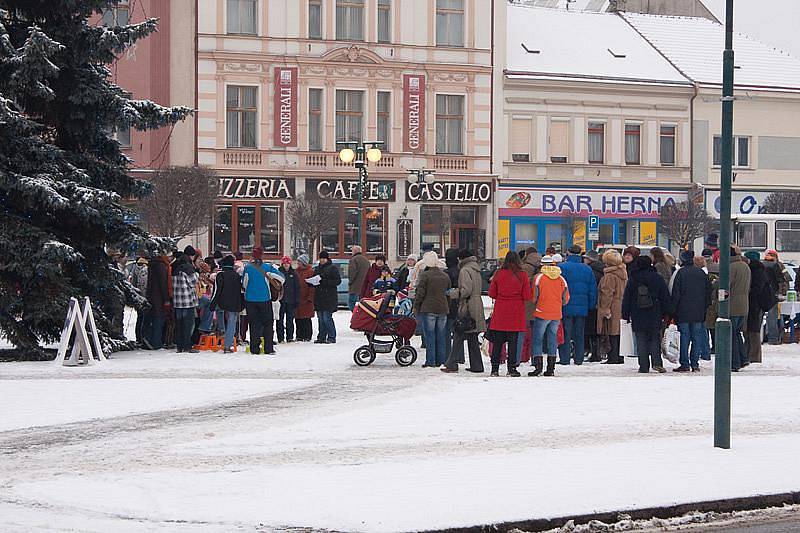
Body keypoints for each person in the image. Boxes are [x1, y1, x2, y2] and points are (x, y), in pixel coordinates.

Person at [622, 256, 672, 373]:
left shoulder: (633, 278)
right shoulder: (657, 278)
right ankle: (657, 363)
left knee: (641, 340)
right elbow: (664, 296)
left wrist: (625, 314)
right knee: (655, 338)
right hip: (655, 312)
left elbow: (627, 298)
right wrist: (668, 312)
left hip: (637, 312)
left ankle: (643, 365)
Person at [487, 251, 532, 377]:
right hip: (516, 311)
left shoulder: (498, 274)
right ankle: (512, 368)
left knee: (497, 342)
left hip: (501, 310)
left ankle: (494, 369)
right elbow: (527, 295)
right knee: (513, 342)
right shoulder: (522, 275)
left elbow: (492, 293)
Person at [442, 250, 486, 373]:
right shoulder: (475, 269)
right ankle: (477, 366)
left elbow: (466, 290)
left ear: (461, 259)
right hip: (476, 303)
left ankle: (451, 364)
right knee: (472, 336)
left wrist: (452, 293)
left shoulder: (465, 270)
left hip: (467, 305)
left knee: (459, 333)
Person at [671, 250, 712, 372]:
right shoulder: (701, 273)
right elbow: (708, 292)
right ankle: (695, 363)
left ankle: (684, 363)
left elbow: (676, 293)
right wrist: (705, 307)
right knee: (697, 336)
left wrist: (673, 310)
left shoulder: (680, 273)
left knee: (684, 336)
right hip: (699, 310)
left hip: (683, 310)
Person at [529, 255, 570, 377]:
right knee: (552, 339)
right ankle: (550, 368)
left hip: (542, 312)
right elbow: (566, 299)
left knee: (537, 339)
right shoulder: (561, 279)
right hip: (556, 314)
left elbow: (533, 297)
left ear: (542, 265)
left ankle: (538, 367)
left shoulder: (538, 278)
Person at [558, 245, 597, 366]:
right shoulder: (587, 269)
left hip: (565, 306)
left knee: (565, 333)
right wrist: (591, 305)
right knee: (579, 334)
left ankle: (564, 358)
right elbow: (592, 289)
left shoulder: (561, 267)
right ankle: (578, 358)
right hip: (582, 306)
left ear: (568, 253)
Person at [242, 247, 285, 355]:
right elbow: (282, 278)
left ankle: (254, 348)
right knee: (267, 324)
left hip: (250, 299)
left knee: (254, 324)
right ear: (262, 255)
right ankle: (268, 348)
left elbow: (244, 284)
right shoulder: (268, 267)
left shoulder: (247, 268)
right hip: (265, 298)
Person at [413, 251, 451, 368]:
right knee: (441, 335)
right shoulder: (445, 276)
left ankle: (431, 361)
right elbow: (448, 293)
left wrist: (416, 306)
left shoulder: (425, 275)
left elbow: (420, 293)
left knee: (430, 335)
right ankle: (442, 360)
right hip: (443, 308)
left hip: (428, 308)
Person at [597, 249, 628, 365]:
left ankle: (612, 356)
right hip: (621, 304)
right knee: (618, 331)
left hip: (612, 306)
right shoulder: (623, 273)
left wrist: (605, 308)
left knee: (611, 331)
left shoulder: (609, 276)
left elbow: (607, 293)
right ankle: (620, 356)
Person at [744, 251, 774, 364]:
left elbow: (757, 288)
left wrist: (748, 293)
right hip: (755, 303)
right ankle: (750, 354)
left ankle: (754, 356)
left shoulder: (756, 271)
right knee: (751, 329)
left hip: (755, 304)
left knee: (753, 330)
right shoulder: (759, 270)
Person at [210, 255, 243, 353]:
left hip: (222, 302)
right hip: (234, 303)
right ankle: (227, 346)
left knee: (219, 313)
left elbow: (216, 291)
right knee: (232, 322)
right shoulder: (237, 275)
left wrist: (212, 303)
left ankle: (221, 331)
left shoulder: (220, 275)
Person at [171, 251, 199, 354]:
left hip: (177, 301)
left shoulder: (174, 267)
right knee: (188, 324)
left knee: (179, 324)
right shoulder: (187, 268)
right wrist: (196, 273)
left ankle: (179, 345)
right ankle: (187, 345)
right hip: (187, 300)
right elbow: (193, 282)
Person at [729, 246, 752, 371]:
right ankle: (743, 358)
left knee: (731, 334)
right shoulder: (745, 266)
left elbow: (725, 283)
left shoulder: (731, 267)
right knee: (737, 333)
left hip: (733, 304)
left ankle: (735, 362)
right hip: (744, 304)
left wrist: (714, 283)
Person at [519, 246, 543, 364]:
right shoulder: (544, 268)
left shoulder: (524, 268)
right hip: (540, 304)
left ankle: (520, 357)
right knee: (537, 335)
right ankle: (536, 359)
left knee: (521, 333)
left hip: (525, 303)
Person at [312, 250, 342, 344]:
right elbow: (314, 280)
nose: (322, 260)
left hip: (329, 297)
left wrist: (325, 282)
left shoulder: (332, 268)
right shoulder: (317, 269)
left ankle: (331, 336)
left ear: (327, 259)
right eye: (320, 258)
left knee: (327, 318)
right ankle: (321, 337)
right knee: (320, 318)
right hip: (319, 297)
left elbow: (337, 281)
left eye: (323, 258)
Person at [143, 253, 170, 350]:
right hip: (159, 298)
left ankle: (149, 339)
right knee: (159, 319)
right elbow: (163, 283)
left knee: (152, 319)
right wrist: (166, 298)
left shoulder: (151, 265)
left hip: (151, 295)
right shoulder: (161, 266)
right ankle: (156, 342)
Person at [763, 249, 789, 345]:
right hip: (774, 294)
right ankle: (774, 338)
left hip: (762, 294)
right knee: (774, 316)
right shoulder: (777, 265)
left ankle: (764, 336)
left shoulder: (761, 265)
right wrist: (782, 292)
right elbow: (785, 279)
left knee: (763, 317)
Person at [583, 250, 604, 362]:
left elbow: (591, 289)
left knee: (591, 329)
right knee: (597, 329)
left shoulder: (590, 271)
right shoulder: (602, 269)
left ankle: (594, 354)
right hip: (600, 303)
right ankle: (597, 352)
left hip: (592, 303)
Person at [276, 256, 299, 343]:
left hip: (291, 300)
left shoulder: (294, 273)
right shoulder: (278, 273)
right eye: (284, 263)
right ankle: (280, 337)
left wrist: (297, 299)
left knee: (290, 320)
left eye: (288, 263)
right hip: (281, 300)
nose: (286, 265)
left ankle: (290, 337)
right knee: (280, 320)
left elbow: (297, 288)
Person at [443, 248, 460, 358]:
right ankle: (459, 356)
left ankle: (449, 356)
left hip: (448, 303)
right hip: (460, 302)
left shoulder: (446, 273)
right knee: (459, 332)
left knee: (447, 332)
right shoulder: (461, 271)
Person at [294, 254, 315, 342]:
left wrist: (310, 297)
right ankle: (299, 335)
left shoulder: (310, 272)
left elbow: (312, 286)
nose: (298, 263)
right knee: (298, 318)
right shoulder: (296, 271)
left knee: (306, 318)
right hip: (298, 297)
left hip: (306, 298)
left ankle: (307, 335)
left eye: (299, 261)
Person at [129, 255, 149, 346]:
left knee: (139, 318)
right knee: (144, 318)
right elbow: (144, 285)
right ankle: (142, 338)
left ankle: (138, 337)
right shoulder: (145, 268)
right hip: (144, 297)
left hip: (137, 296)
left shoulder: (135, 267)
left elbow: (133, 282)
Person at [348, 245, 370, 311]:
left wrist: (350, 282)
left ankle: (356, 316)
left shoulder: (353, 260)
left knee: (352, 303)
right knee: (362, 304)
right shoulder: (366, 260)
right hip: (364, 286)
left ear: (354, 251)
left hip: (355, 287)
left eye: (352, 251)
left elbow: (352, 273)